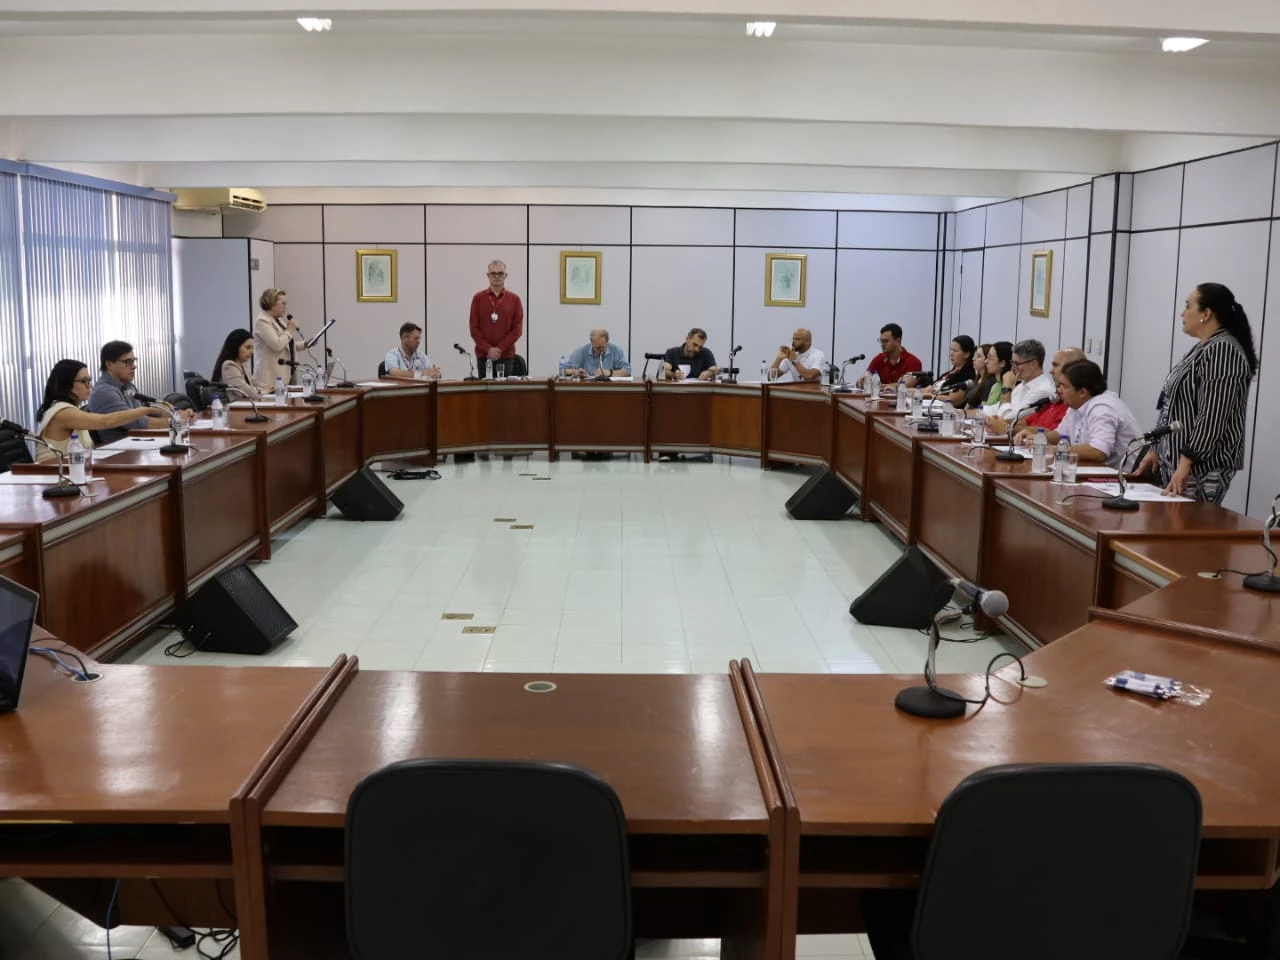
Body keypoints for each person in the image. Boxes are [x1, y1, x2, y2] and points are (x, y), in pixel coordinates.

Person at [1134, 282, 1259, 503]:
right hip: (1177, 461)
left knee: (1186, 522)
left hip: (1201, 467)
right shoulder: (1203, 347)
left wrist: (1187, 461)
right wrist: (1156, 448)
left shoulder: (1223, 350)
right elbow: (1170, 404)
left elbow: (1213, 415)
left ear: (1206, 314)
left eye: (1188, 306)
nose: (1182, 313)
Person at [1013, 360, 1141, 468]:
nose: (1059, 391)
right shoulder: (1076, 404)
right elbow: (1060, 434)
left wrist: (1056, 450)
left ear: (1082, 392)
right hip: (1095, 472)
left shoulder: (1103, 408)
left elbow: (1099, 451)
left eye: (1064, 386)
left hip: (1126, 479)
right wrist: (1038, 438)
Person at [36, 359, 167, 460]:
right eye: (84, 381)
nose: (89, 385)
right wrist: (144, 410)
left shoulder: (71, 409)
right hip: (53, 474)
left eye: (89, 380)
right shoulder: (62, 412)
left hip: (73, 471)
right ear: (66, 385)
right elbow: (106, 421)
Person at [87, 341, 183, 444]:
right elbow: (136, 423)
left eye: (133, 361)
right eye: (127, 362)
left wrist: (177, 414)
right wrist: (176, 421)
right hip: (120, 449)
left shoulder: (128, 386)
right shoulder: (103, 392)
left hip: (139, 443)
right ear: (109, 364)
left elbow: (147, 411)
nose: (134, 366)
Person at [991, 346, 1085, 436]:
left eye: (1056, 365)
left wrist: (1007, 428)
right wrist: (995, 422)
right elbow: (1023, 422)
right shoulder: (1054, 398)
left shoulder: (1051, 393)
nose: (1051, 371)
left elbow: (1053, 433)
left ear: (1074, 369)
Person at [469, 260, 524, 378]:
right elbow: (474, 329)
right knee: (484, 389)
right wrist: (488, 349)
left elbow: (517, 330)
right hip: (484, 356)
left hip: (506, 356)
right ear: (488, 275)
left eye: (500, 273)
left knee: (503, 390)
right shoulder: (478, 298)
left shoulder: (515, 300)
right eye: (493, 273)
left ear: (506, 275)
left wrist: (499, 349)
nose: (497, 276)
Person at [993, 339, 1055, 421]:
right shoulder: (1021, 385)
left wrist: (1007, 388)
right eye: (1012, 363)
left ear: (1033, 364)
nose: (1012, 368)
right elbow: (995, 409)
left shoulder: (1043, 390)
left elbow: (1008, 420)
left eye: (1016, 364)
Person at [252, 288, 302, 388]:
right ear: (271, 304)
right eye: (283, 303)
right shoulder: (262, 321)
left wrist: (305, 344)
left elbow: (286, 345)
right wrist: (289, 330)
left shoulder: (278, 320)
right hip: (270, 377)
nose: (286, 307)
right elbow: (277, 345)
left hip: (287, 373)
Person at [211, 328, 263, 398]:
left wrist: (270, 388)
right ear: (236, 347)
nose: (252, 352)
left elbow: (255, 382)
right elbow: (246, 392)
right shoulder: (229, 366)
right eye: (248, 347)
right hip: (234, 405)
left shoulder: (243, 364)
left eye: (252, 348)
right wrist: (262, 390)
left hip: (245, 403)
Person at [566, 328, 631, 378]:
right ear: (591, 343)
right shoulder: (581, 351)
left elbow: (627, 371)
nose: (600, 351)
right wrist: (575, 371)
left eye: (602, 347)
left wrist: (609, 372)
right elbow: (564, 371)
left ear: (607, 342)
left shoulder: (616, 350)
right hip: (587, 388)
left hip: (610, 388)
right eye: (597, 348)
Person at [973, 342, 1013, 414]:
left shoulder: (1011, 387)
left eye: (990, 358)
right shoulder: (995, 385)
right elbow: (983, 411)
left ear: (1002, 363)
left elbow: (1003, 414)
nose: (986, 361)